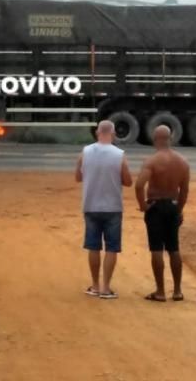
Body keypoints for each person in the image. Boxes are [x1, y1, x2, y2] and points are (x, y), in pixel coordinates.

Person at [75, 120, 133, 299]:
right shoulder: (119, 154)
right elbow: (128, 181)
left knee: (93, 246)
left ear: (97, 133)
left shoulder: (84, 152)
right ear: (113, 134)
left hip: (90, 204)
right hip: (112, 207)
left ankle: (94, 285)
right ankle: (106, 288)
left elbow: (78, 177)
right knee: (111, 248)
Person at [135, 125, 190, 302]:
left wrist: (143, 206)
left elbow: (138, 185)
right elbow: (184, 191)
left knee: (156, 248)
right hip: (173, 206)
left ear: (155, 139)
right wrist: (179, 210)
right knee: (174, 248)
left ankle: (160, 291)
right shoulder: (182, 162)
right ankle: (178, 291)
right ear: (170, 139)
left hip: (156, 207)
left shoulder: (151, 161)